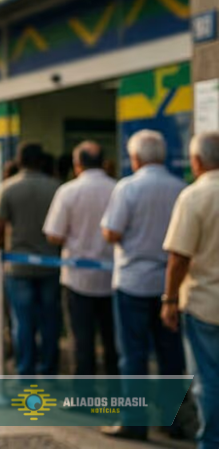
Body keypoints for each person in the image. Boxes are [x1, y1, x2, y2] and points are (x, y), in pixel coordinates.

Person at [100, 130, 186, 441]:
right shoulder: (180, 188)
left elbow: (111, 232)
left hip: (132, 282)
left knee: (133, 354)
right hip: (169, 284)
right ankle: (171, 420)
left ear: (135, 158)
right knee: (170, 355)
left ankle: (134, 421)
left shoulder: (128, 188)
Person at [162, 131, 219, 449]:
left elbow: (179, 257)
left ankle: (211, 441)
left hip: (204, 304)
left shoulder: (194, 196)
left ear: (196, 161)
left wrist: (169, 300)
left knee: (208, 381)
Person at [43, 142, 117, 376]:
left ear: (77, 165)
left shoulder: (68, 191)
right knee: (112, 339)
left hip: (77, 278)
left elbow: (54, 234)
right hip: (113, 277)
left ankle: (84, 396)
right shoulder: (118, 188)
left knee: (81, 339)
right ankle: (117, 392)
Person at [0, 142, 61, 377]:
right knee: (49, 320)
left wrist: (1, 251)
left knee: (22, 321)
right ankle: (49, 367)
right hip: (51, 264)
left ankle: (25, 369)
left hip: (18, 264)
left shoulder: (7, 188)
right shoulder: (56, 188)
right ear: (42, 160)